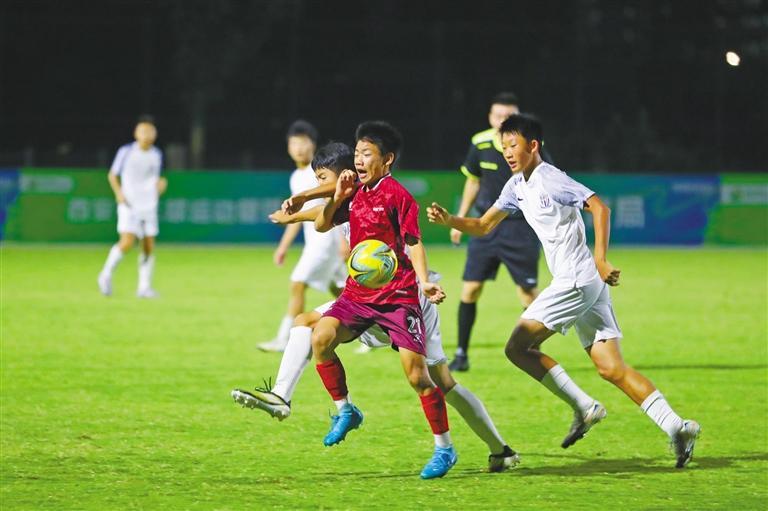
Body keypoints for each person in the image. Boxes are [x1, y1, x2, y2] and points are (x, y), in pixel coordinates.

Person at [427, 114, 700, 468]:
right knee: (611, 368)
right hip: (585, 282)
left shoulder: (550, 179)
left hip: (576, 279)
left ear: (533, 146)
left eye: (513, 145)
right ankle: (678, 427)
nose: (507, 152)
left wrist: (601, 259)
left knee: (517, 347)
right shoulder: (516, 185)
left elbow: (599, 207)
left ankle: (584, 407)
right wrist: (450, 220)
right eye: (503, 146)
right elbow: (483, 225)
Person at [232, 142, 519, 473]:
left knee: (441, 383)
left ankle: (496, 449)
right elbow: (322, 215)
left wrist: (424, 280)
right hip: (364, 297)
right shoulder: (348, 197)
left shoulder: (378, 192)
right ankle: (289, 398)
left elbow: (412, 241)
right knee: (307, 324)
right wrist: (296, 212)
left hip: (405, 298)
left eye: (323, 177)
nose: (321, 183)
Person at [300, 122, 458, 479]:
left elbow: (414, 242)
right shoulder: (353, 192)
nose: (358, 159)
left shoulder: (399, 197)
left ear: (387, 160)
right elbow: (323, 222)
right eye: (356, 153)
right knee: (320, 337)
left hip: (398, 297)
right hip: (358, 294)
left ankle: (445, 448)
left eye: (366, 154)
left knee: (418, 376)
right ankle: (345, 410)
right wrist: (313, 200)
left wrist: (424, 282)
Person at [449, 92, 544, 372]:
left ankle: (534, 352)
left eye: (508, 116)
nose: (502, 120)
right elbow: (473, 182)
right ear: (490, 117)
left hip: (520, 228)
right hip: (485, 226)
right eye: (498, 115)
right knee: (470, 289)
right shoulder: (479, 143)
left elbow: (544, 177)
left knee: (528, 293)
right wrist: (461, 219)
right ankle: (461, 354)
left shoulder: (529, 144)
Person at [258, 120, 346, 352]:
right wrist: (283, 247)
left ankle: (284, 339)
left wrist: (343, 240)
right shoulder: (296, 176)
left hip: (325, 242)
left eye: (303, 143)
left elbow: (333, 205)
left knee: (297, 284)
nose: (298, 148)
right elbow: (296, 217)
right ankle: (374, 328)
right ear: (288, 147)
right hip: (317, 241)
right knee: (341, 291)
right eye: (294, 143)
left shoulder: (318, 172)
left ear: (313, 145)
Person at [98, 115, 166, 298]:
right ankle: (105, 275)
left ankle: (144, 287)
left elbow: (156, 178)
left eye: (150, 131)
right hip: (130, 204)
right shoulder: (126, 151)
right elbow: (112, 175)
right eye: (143, 131)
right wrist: (119, 193)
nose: (147, 135)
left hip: (149, 205)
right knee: (127, 242)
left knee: (148, 245)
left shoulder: (156, 154)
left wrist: (160, 185)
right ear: (136, 133)